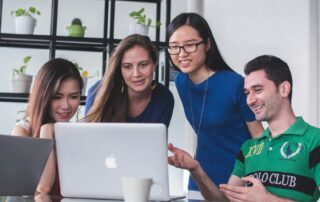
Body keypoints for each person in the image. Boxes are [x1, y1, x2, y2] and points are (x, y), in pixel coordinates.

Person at [168, 55, 320, 201]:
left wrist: (267, 200)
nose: (250, 100)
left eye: (258, 90)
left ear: (284, 89)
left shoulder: (315, 140)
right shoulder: (249, 148)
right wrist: (196, 170)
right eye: (247, 92)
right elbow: (225, 201)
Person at [166, 12, 264, 195]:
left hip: (238, 183)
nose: (182, 53)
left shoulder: (234, 84)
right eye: (174, 47)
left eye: (190, 45)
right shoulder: (181, 82)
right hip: (200, 181)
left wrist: (252, 184)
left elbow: (259, 138)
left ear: (207, 44)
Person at [11, 58, 83, 195]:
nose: (66, 106)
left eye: (73, 96)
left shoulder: (72, 133)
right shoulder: (21, 132)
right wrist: (47, 131)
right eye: (57, 97)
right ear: (43, 96)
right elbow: (43, 188)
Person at [84, 34, 174, 127]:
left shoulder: (164, 98)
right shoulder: (97, 92)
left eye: (143, 64)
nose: (136, 74)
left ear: (154, 64)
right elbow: (88, 138)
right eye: (127, 66)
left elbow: (157, 140)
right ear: (120, 69)